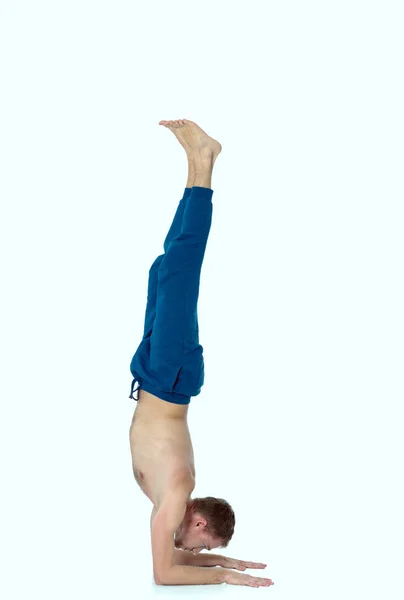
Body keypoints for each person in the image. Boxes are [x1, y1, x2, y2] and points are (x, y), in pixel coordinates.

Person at [128, 119, 274, 588]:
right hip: (168, 377)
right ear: (198, 523)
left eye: (206, 553)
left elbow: (172, 563)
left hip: (158, 376)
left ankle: (195, 162)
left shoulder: (177, 500)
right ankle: (205, 163)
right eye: (206, 546)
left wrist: (228, 563)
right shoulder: (173, 499)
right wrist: (226, 579)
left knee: (167, 267)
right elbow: (163, 575)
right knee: (183, 266)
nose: (196, 551)